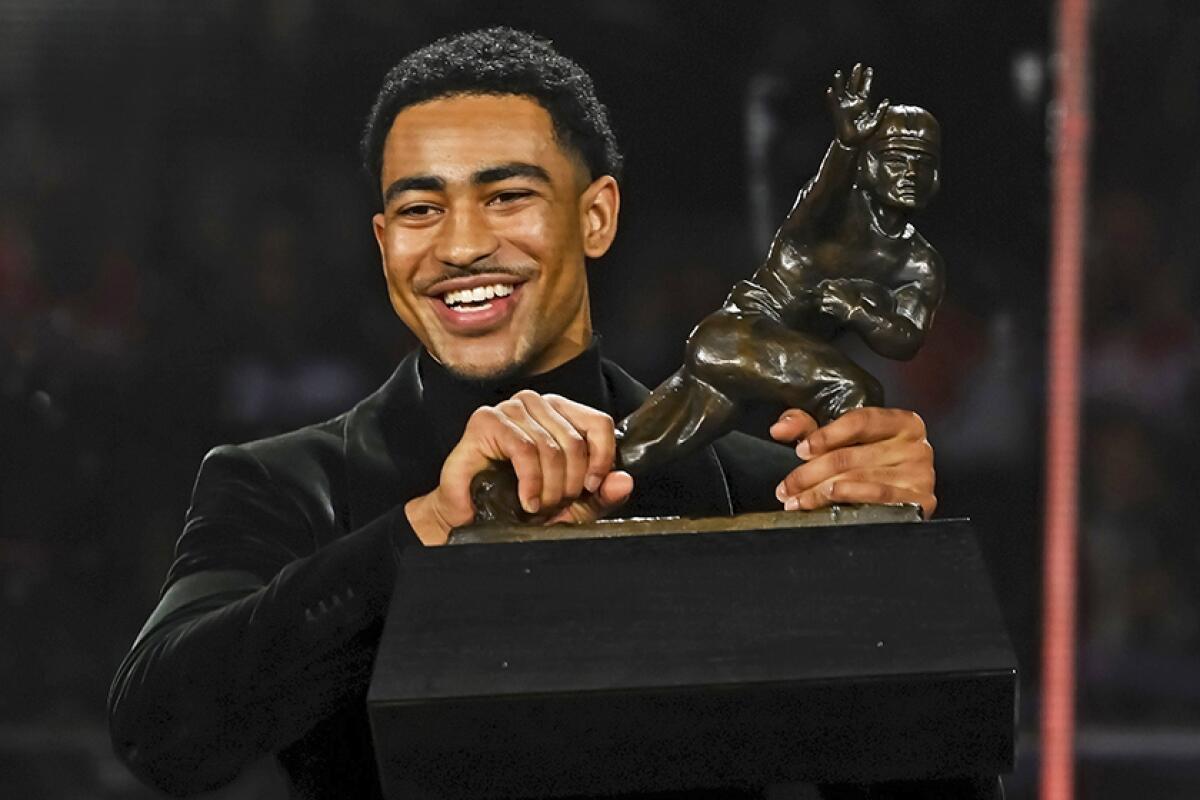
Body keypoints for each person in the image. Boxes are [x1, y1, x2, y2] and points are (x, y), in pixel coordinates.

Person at [108, 28, 943, 799]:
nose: (461, 245)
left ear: (597, 215)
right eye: (419, 208)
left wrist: (898, 569)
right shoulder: (290, 485)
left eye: (507, 196)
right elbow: (162, 736)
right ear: (383, 241)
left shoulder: (770, 494)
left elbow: (930, 779)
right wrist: (428, 528)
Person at [617, 64, 944, 479]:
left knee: (637, 444)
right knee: (853, 390)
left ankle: (560, 483)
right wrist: (845, 145)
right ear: (866, 165)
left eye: (924, 162)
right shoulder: (824, 221)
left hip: (763, 363)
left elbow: (906, 338)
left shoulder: (919, 261)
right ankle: (850, 513)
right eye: (897, 159)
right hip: (734, 337)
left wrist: (856, 311)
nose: (911, 174)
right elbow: (821, 195)